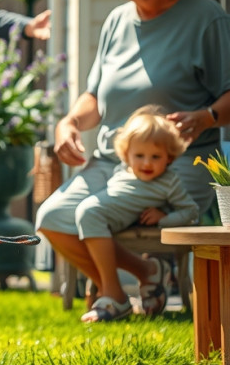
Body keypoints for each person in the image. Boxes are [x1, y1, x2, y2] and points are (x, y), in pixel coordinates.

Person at [35, 0, 230, 322]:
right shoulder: (117, 21)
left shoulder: (205, 18)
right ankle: (142, 276)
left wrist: (207, 116)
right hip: (112, 163)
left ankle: (114, 299)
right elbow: (95, 96)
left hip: (174, 169)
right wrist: (69, 122)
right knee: (50, 219)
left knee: (89, 216)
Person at [67, 106, 199, 322]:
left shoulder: (169, 182)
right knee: (83, 215)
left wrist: (163, 217)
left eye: (155, 156)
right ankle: (127, 283)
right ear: (126, 155)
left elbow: (190, 211)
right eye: (139, 155)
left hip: (105, 217)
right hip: (105, 219)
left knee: (88, 212)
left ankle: (114, 295)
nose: (147, 163)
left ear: (169, 157)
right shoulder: (122, 171)